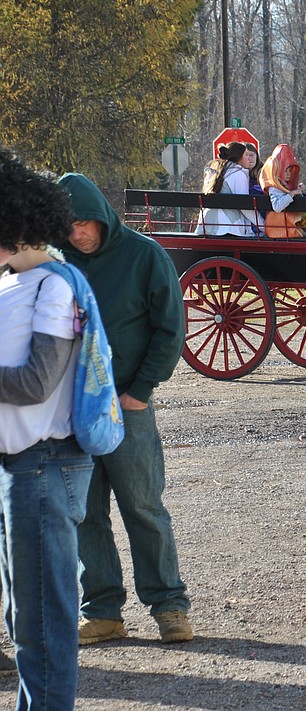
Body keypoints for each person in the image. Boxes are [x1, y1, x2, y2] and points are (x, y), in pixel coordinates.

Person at [58, 172, 193, 645]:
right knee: (85, 512)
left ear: (101, 215)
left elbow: (170, 328)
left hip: (127, 405)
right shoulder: (58, 265)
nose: (78, 233)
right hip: (72, 411)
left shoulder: (144, 255)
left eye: (84, 222)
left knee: (142, 505)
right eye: (68, 225)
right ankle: (102, 611)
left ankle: (169, 606)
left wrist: (139, 390)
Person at [0, 150, 94, 709]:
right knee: (24, 622)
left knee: (44, 622)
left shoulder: (55, 286)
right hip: (20, 468)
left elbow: (37, 382)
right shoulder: (14, 282)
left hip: (45, 465)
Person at [193, 141, 260, 237]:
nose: (248, 158)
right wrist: (263, 225)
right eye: (245, 155)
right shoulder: (239, 174)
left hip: (205, 226)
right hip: (229, 228)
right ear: (238, 158)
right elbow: (245, 206)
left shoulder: (215, 171)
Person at [261, 143, 306, 239]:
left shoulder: (283, 185)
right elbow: (277, 207)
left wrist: (298, 190)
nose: (289, 174)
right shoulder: (274, 187)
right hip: (280, 229)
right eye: (285, 171)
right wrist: (292, 194)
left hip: (289, 227)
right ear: (277, 169)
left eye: (290, 171)